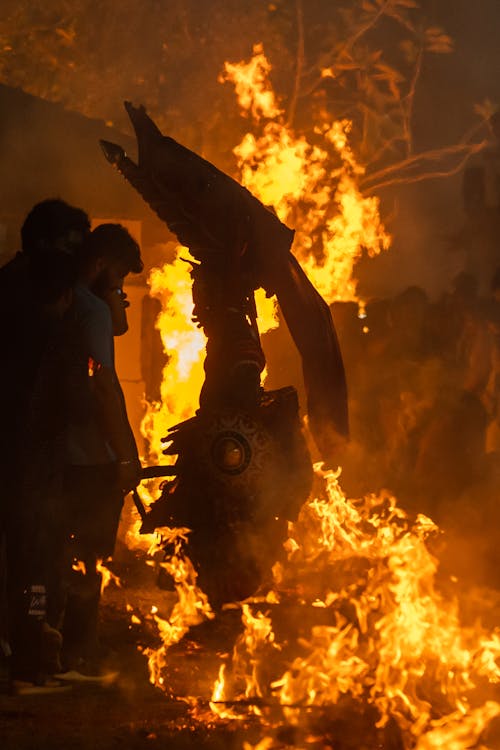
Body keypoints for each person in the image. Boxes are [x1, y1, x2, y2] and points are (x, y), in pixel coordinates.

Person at [61, 223, 143, 670]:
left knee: (55, 550)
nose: (122, 286)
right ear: (99, 264)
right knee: (90, 555)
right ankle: (80, 647)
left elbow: (120, 326)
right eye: (119, 275)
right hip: (92, 456)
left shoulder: (59, 301)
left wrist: (111, 295)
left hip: (56, 453)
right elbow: (104, 386)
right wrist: (127, 453)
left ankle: (46, 639)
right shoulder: (88, 309)